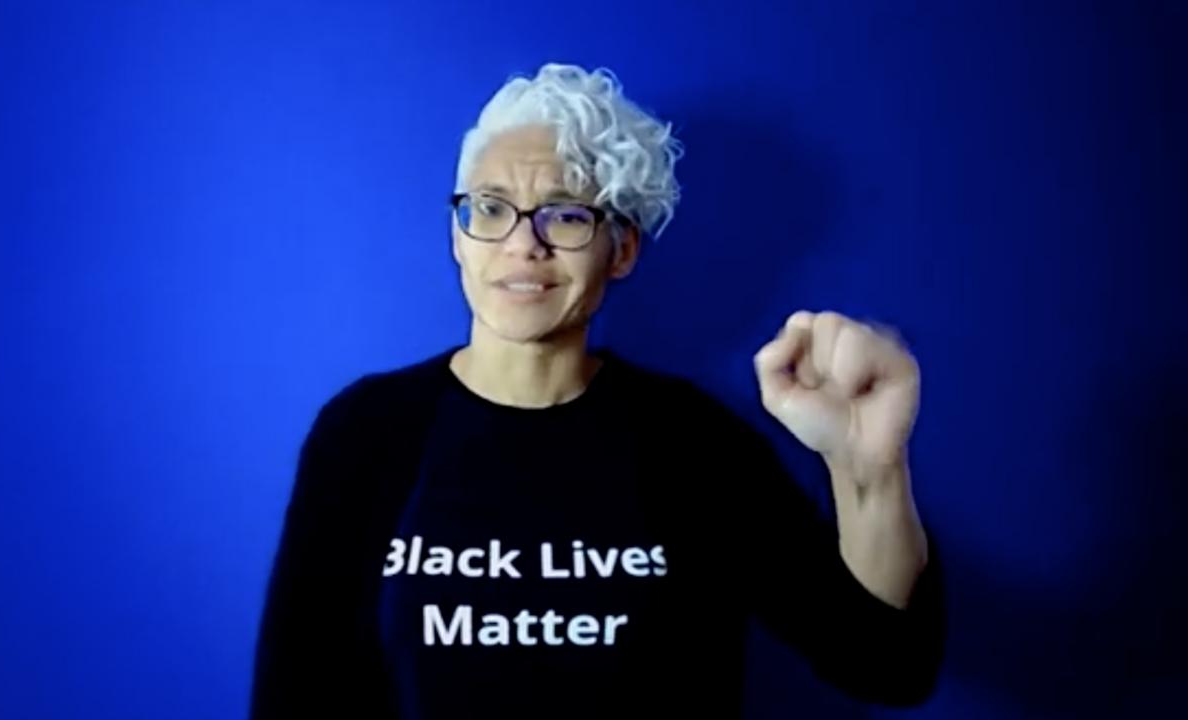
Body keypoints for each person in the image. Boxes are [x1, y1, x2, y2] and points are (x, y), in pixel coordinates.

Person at [249, 62, 944, 719]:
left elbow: (885, 664)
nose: (524, 244)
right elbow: (294, 698)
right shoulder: (366, 432)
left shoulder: (694, 442)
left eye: (566, 214)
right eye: (491, 208)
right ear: (458, 236)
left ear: (622, 248)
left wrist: (872, 468)